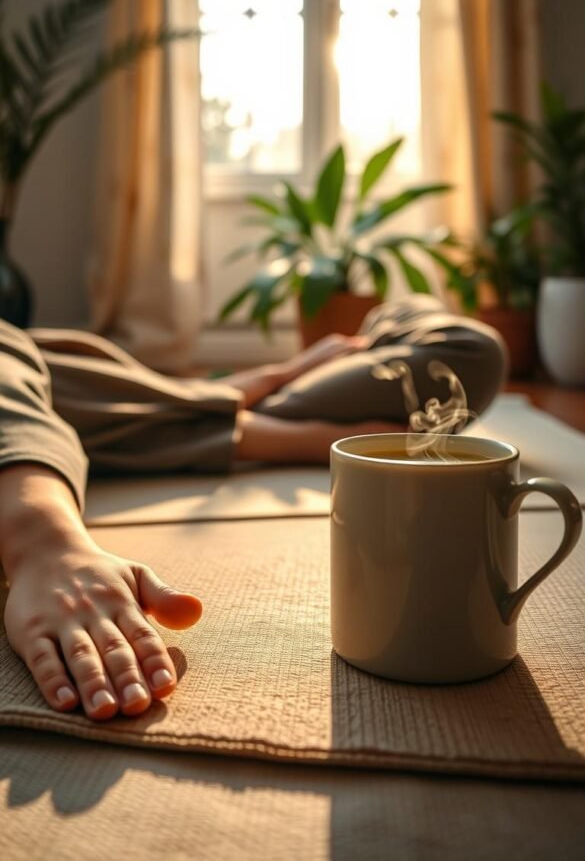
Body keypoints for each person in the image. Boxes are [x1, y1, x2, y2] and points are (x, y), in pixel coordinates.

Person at [0, 296, 506, 722]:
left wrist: (44, 541)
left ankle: (289, 375)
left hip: (76, 379)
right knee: (465, 352)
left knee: (459, 345)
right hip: (159, 412)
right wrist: (281, 430)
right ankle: (250, 401)